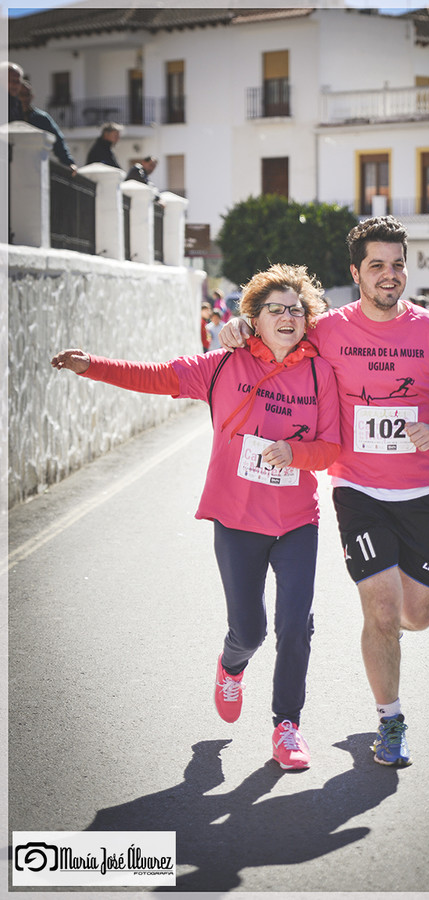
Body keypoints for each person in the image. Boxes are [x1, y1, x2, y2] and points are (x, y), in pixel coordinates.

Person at [51, 263, 341, 770]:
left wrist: (295, 455)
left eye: (296, 309)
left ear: (307, 317)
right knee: (249, 633)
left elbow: (332, 448)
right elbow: (160, 377)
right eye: (276, 309)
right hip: (236, 519)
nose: (288, 316)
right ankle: (231, 667)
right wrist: (90, 365)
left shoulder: (320, 371)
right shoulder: (224, 365)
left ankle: (287, 726)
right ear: (254, 317)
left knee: (296, 626)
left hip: (297, 519)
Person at [220, 216, 429, 766]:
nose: (389, 274)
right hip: (356, 490)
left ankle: (395, 637)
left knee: (417, 615)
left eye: (397, 264)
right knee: (381, 612)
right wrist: (235, 329)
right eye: (377, 265)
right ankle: (392, 722)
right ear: (356, 272)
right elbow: (273, 330)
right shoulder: (328, 329)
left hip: (422, 491)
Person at [18, 80, 77, 173]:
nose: (24, 98)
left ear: (32, 97)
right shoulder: (7, 115)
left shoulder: (42, 118)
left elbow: (57, 140)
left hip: (36, 168)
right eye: (21, 94)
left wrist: (68, 162)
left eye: (27, 95)